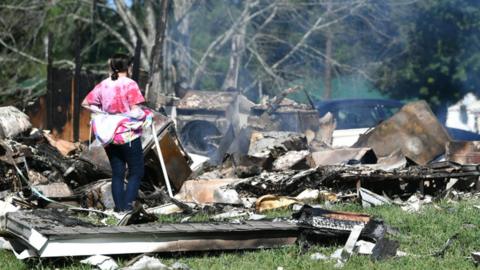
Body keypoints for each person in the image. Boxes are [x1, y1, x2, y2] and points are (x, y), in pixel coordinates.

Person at [82, 53, 152, 212]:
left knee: (118, 173)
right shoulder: (130, 84)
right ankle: (126, 208)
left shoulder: (104, 84)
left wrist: (104, 114)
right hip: (127, 134)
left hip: (109, 134)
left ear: (112, 67)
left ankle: (119, 209)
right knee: (137, 171)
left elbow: (86, 103)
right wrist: (144, 115)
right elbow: (136, 110)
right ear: (128, 67)